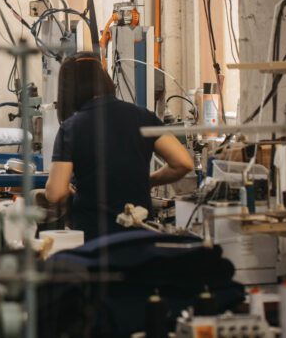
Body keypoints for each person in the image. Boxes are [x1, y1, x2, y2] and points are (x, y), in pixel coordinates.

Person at [44, 53, 193, 240]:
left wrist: (67, 188)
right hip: (139, 234)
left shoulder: (72, 127)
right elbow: (183, 163)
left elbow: (55, 193)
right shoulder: (143, 117)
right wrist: (148, 181)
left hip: (94, 237)